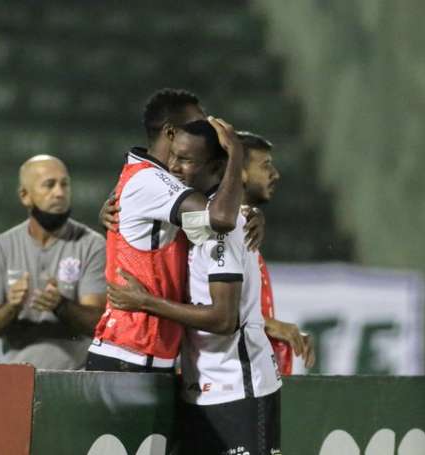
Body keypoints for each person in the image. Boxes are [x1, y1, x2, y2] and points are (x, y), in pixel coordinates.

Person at [108, 120, 282, 455]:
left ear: (217, 167)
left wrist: (144, 301)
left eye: (186, 160)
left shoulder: (224, 229)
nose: (172, 167)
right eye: (173, 156)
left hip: (239, 391)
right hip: (202, 389)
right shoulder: (198, 217)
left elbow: (222, 319)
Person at [87, 88, 252, 373]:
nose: (208, 129)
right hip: (128, 353)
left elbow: (220, 216)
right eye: (197, 122)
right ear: (171, 133)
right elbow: (221, 217)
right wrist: (236, 153)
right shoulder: (151, 181)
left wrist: (251, 213)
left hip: (144, 354)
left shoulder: (154, 180)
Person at [0, 155, 106, 369]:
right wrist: (12, 307)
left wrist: (60, 305)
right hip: (15, 376)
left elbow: (97, 323)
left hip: (70, 379)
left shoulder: (91, 244)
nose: (59, 192)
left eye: (65, 184)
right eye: (49, 185)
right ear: (25, 196)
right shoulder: (0, 247)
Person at [238, 131, 315, 375]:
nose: (275, 174)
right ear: (240, 172)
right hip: (231, 384)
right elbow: (211, 309)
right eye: (265, 165)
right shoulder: (221, 229)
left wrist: (275, 330)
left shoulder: (244, 224)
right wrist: (272, 326)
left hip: (252, 378)